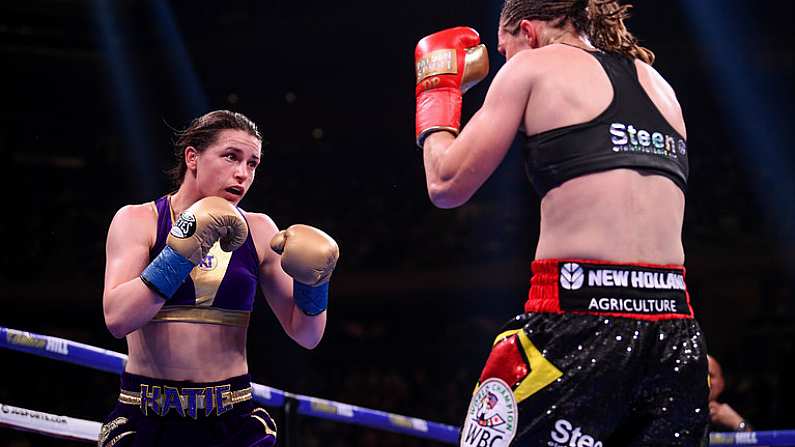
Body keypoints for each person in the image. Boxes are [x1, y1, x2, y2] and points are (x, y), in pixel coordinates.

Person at [414, 1, 708, 445]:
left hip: (579, 318)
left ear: (527, 32)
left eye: (504, 48)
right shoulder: (660, 85)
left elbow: (446, 182)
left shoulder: (531, 67)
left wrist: (436, 95)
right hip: (675, 335)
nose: (505, 61)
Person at [99, 110, 339, 446]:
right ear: (193, 157)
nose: (242, 174)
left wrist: (316, 284)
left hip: (232, 419)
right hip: (149, 415)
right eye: (231, 157)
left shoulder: (260, 230)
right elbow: (117, 319)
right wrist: (179, 254)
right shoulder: (139, 220)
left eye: (252, 163)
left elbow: (307, 334)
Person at [708, 355, 752, 433]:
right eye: (699, 374)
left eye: (710, 375)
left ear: (721, 384)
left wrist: (737, 423)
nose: (705, 380)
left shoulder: (739, 408)